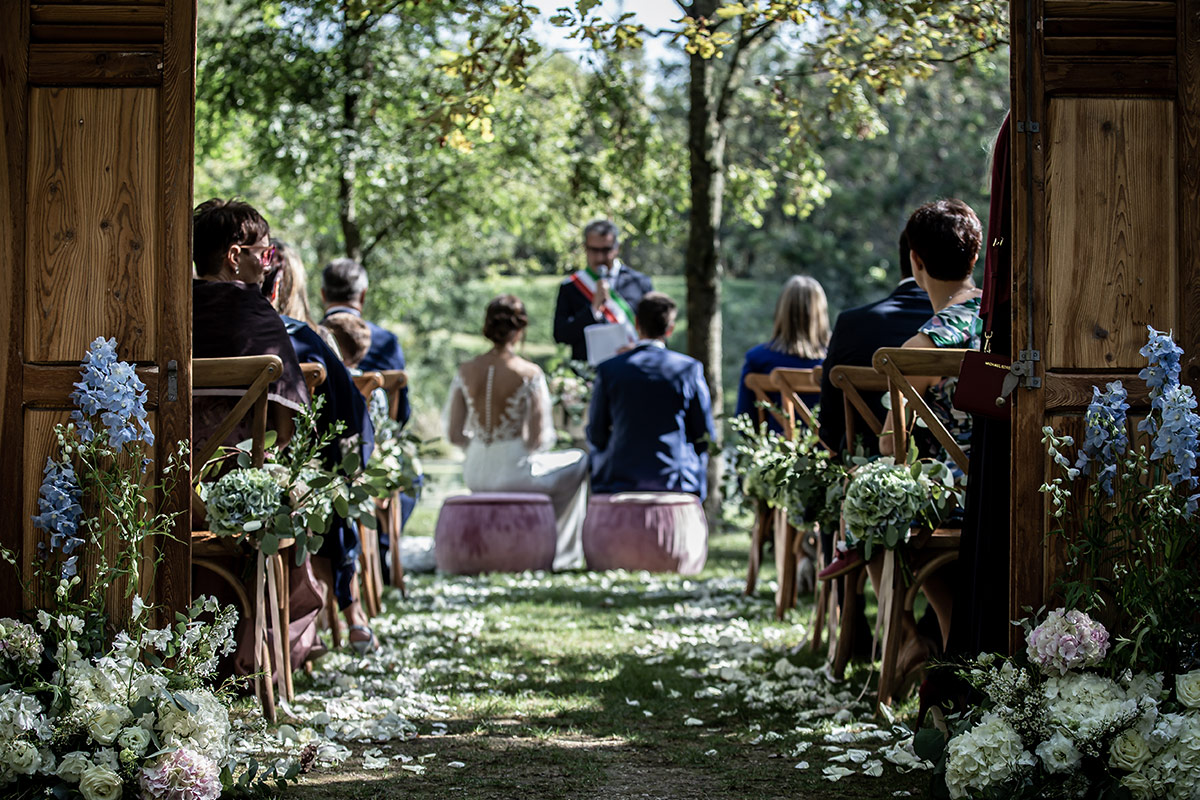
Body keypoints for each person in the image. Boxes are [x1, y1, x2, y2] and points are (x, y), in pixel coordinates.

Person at [191, 198, 321, 671]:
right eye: (264, 254)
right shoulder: (254, 315)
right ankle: (263, 656)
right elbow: (284, 429)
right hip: (240, 497)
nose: (268, 264)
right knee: (293, 501)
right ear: (234, 256)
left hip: (166, 491)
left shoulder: (169, 314)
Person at [263, 243, 378, 654]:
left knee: (323, 476)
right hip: (289, 483)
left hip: (200, 476)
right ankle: (348, 612)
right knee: (330, 478)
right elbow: (351, 426)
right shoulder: (307, 340)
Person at [444, 295, 589, 570]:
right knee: (580, 460)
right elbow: (537, 440)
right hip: (513, 472)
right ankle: (562, 553)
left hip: (474, 470)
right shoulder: (529, 373)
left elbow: (454, 435)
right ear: (520, 330)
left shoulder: (466, 370)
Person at [588, 292, 715, 498]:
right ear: (670, 329)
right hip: (675, 480)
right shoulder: (688, 370)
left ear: (637, 324)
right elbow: (705, 436)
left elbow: (597, 433)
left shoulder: (609, 370)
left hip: (620, 480)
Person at [817, 232, 932, 454]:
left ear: (912, 259)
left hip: (866, 469)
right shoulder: (966, 328)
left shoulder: (852, 324)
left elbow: (829, 425)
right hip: (954, 476)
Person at [734, 275, 830, 434]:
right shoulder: (835, 360)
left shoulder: (757, 359)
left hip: (778, 455)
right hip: (831, 456)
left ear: (782, 311)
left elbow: (745, 423)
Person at [321, 258, 410, 426]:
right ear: (363, 295)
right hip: (372, 447)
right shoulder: (387, 343)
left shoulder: (307, 337)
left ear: (323, 294)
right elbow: (401, 414)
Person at [553, 219, 654, 361]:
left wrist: (637, 347)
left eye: (606, 250)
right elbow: (561, 335)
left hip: (633, 367)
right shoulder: (571, 287)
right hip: (588, 374)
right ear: (585, 248)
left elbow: (656, 332)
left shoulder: (639, 283)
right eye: (594, 250)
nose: (600, 257)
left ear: (617, 247)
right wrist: (593, 309)